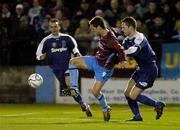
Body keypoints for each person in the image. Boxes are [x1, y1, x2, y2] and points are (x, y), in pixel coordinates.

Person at [69, 16, 127, 121]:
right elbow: (115, 30)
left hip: (104, 69)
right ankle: (74, 88)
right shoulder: (105, 32)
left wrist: (123, 60)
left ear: (99, 27)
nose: (92, 30)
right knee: (72, 62)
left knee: (95, 92)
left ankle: (105, 108)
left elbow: (120, 49)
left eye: (93, 28)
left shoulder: (111, 39)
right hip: (96, 60)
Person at [36, 18, 92, 117]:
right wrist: (42, 56)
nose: (54, 29)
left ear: (59, 27)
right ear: (49, 28)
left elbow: (75, 49)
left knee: (69, 84)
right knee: (70, 90)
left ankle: (83, 104)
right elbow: (38, 55)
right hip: (56, 70)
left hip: (69, 66)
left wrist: (77, 55)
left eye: (56, 26)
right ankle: (84, 104)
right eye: (52, 27)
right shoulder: (46, 41)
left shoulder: (67, 38)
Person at [121, 16, 165, 121]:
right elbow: (123, 55)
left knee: (133, 95)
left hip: (149, 70)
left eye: (123, 27)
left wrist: (122, 53)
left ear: (130, 27)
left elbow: (134, 51)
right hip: (140, 69)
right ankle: (137, 116)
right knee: (127, 93)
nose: (122, 30)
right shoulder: (126, 41)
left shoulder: (140, 37)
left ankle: (157, 104)